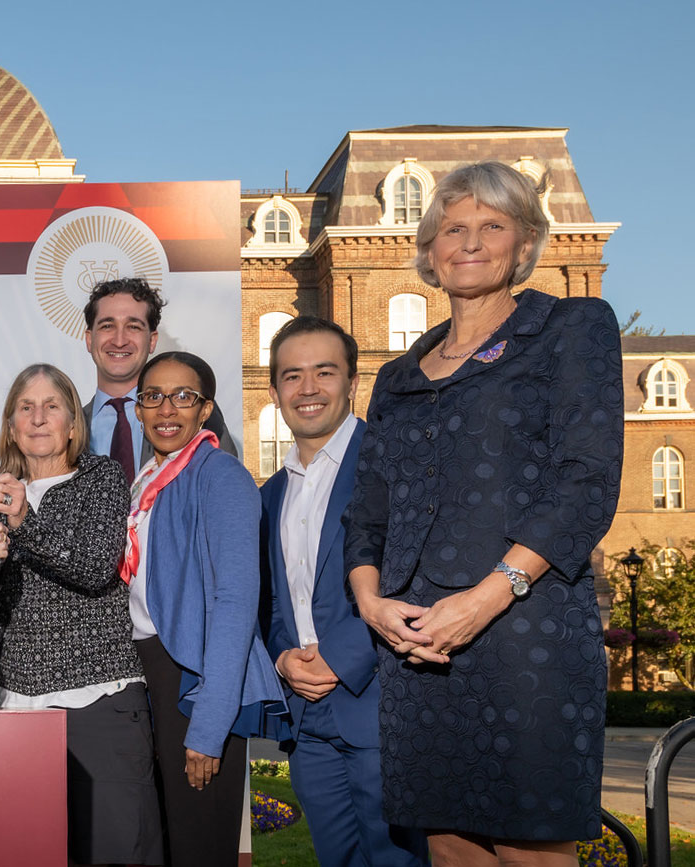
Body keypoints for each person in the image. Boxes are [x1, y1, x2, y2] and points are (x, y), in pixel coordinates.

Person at [345, 161, 623, 867]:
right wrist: (370, 602)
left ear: (524, 239)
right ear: (429, 248)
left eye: (490, 225)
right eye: (452, 227)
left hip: (524, 633)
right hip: (416, 645)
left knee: (529, 849)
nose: (469, 241)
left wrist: (486, 596)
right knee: (449, 845)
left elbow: (585, 484)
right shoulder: (397, 375)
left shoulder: (569, 326)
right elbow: (366, 509)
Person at [0, 363, 163, 867]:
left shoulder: (101, 478)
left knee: (113, 851)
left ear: (74, 425)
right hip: (17, 706)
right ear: (11, 425)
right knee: (28, 853)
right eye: (25, 407)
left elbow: (96, 567)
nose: (38, 418)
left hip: (97, 700)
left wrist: (23, 524)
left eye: (51, 406)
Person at [259, 316, 427, 867]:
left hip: (382, 702)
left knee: (400, 860)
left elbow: (415, 573)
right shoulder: (271, 493)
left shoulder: (392, 463)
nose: (308, 389)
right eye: (292, 375)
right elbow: (273, 598)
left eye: (324, 372)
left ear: (353, 382)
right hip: (306, 716)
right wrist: (284, 657)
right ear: (275, 389)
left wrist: (338, 657)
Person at [127, 350, 287, 867]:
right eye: (153, 396)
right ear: (137, 409)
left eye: (183, 397)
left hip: (197, 682)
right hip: (149, 671)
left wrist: (210, 724)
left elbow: (236, 604)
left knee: (200, 846)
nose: (167, 409)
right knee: (168, 842)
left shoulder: (221, 476)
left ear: (205, 409)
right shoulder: (146, 482)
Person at [81, 277, 235, 485]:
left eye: (133, 327)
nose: (119, 340)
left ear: (152, 341)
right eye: (107, 325)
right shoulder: (66, 426)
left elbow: (225, 486)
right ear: (90, 339)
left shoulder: (194, 414)